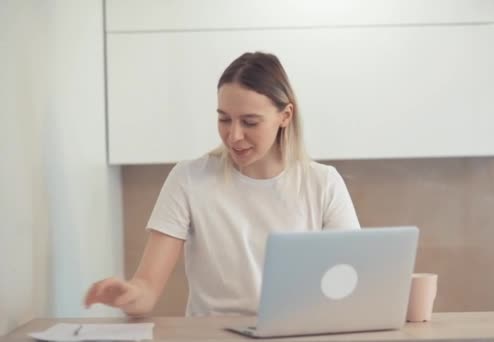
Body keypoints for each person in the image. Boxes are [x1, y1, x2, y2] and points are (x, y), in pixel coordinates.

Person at [84, 52, 360, 317]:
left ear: (285, 116)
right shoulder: (189, 179)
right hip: (212, 335)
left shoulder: (323, 183)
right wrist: (129, 294)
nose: (234, 135)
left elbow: (354, 281)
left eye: (250, 122)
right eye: (224, 119)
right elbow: (146, 291)